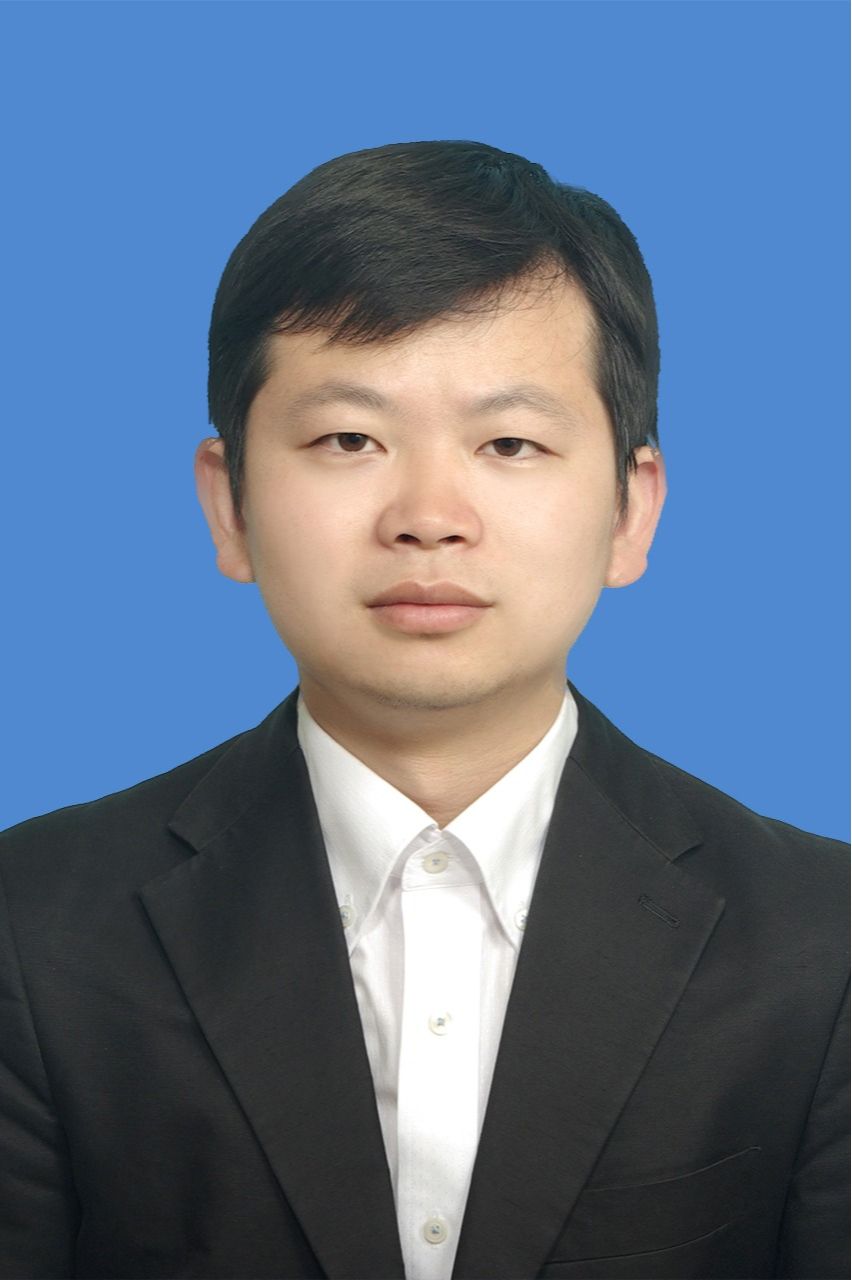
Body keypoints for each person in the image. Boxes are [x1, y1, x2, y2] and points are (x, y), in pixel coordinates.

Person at [0, 140, 847, 1280]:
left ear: (629, 511)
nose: (429, 515)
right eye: (349, 439)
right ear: (230, 503)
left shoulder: (820, 943)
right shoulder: (34, 929)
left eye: (510, 443)